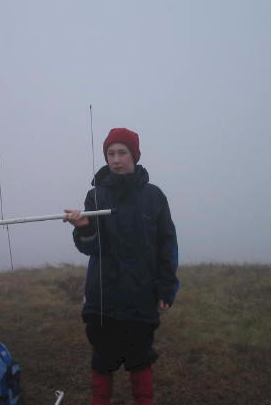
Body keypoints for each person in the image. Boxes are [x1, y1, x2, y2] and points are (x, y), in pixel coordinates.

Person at [64, 127, 179, 405]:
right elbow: (91, 247)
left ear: (134, 156)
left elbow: (167, 244)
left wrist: (166, 288)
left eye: (122, 153)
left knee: (140, 362)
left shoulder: (154, 197)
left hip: (142, 296)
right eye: (110, 154)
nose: (115, 159)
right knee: (103, 362)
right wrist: (84, 228)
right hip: (103, 297)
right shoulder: (96, 197)